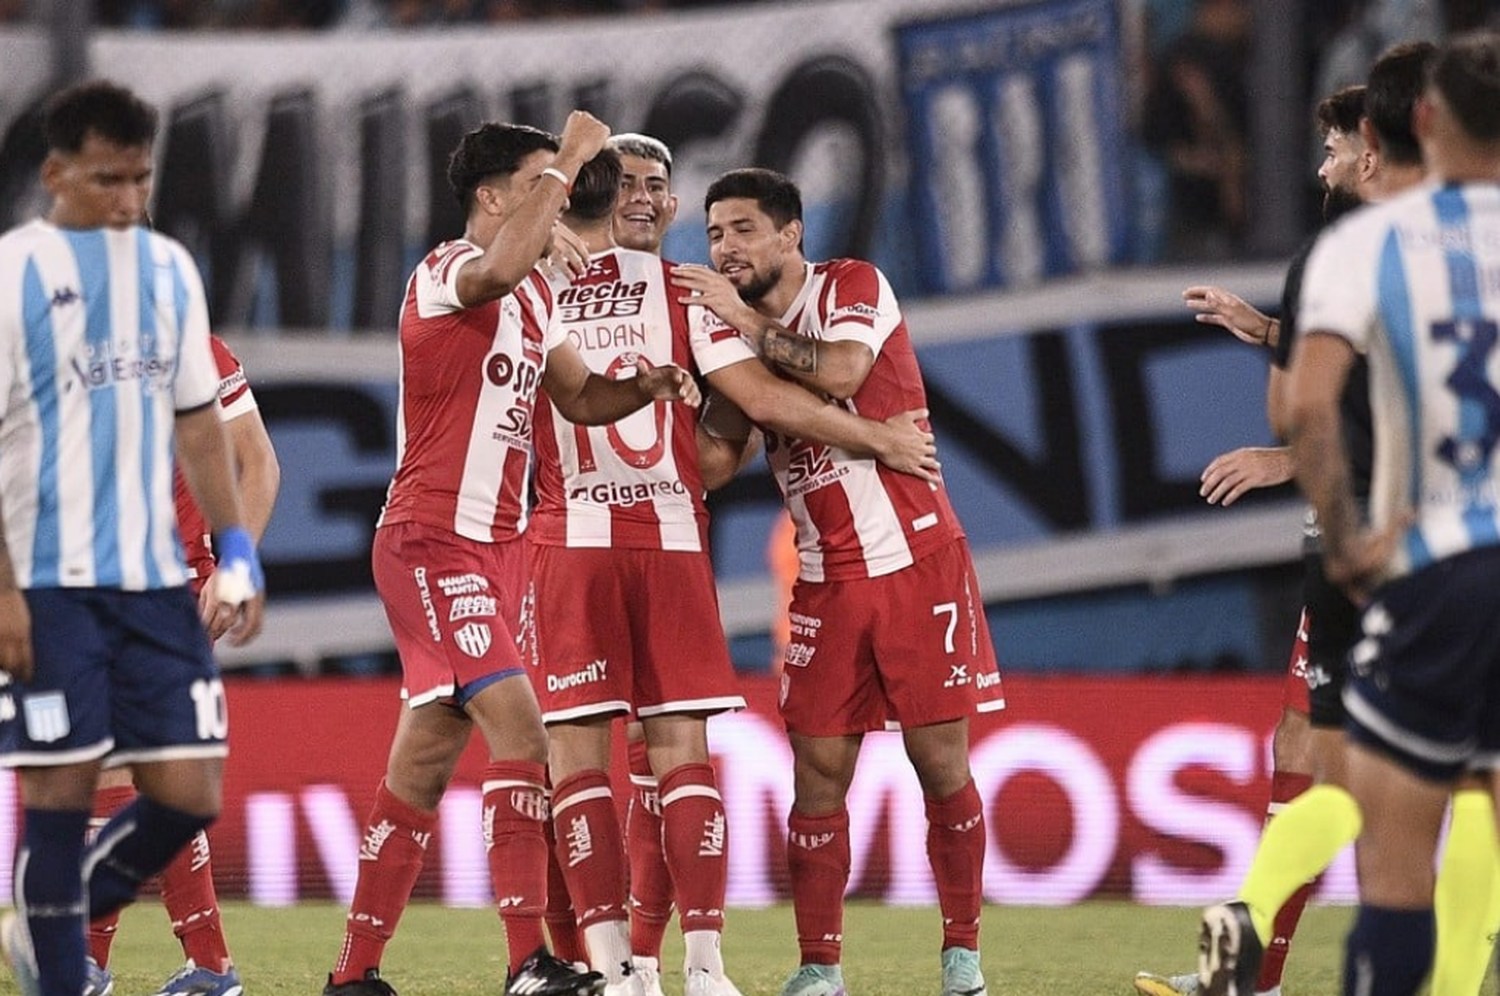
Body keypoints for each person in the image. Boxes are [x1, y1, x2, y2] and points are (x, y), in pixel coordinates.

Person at [530, 149, 938, 996]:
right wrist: (878, 437)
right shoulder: (678, 295)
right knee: (649, 758)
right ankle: (657, 966)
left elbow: (730, 434)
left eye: (654, 186)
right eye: (626, 184)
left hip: (595, 539)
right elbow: (762, 400)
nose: (642, 199)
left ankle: (646, 967)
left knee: (609, 760)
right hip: (632, 540)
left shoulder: (540, 282)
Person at [319, 112, 701, 996]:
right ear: (493, 197)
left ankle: (354, 974)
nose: (560, 198)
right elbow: (498, 263)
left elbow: (576, 396)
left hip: (495, 552)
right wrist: (567, 155)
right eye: (539, 185)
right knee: (523, 730)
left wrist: (642, 386)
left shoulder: (535, 298)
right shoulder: (451, 271)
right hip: (429, 540)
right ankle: (528, 961)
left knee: (420, 764)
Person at [671, 168, 1002, 996]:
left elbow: (847, 371)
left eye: (744, 230)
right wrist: (677, 397)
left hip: (914, 560)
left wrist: (743, 324)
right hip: (824, 576)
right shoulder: (729, 331)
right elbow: (717, 460)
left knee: (940, 765)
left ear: (792, 234)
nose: (726, 248)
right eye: (714, 234)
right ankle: (821, 968)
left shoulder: (853, 282)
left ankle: (962, 955)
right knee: (816, 776)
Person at [0, 79, 266, 996]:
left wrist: (236, 554)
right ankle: (65, 967)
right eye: (108, 179)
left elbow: (204, 430)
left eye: (141, 180)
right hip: (50, 579)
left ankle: (54, 914)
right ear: (56, 173)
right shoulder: (12, 277)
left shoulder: (167, 277)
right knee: (60, 798)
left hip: (155, 583)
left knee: (189, 793)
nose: (128, 200)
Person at [1134, 82, 1372, 996]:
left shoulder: (1373, 252)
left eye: (1335, 146)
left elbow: (1396, 397)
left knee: (1405, 774)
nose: (1322, 165)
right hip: (1355, 530)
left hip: (1399, 538)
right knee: (1304, 748)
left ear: (1377, 152)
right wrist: (1267, 328)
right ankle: (1250, 981)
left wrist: (1287, 458)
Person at [1283, 29, 1500, 996]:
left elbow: (1305, 404)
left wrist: (1346, 541)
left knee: (1396, 862)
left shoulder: (1367, 243)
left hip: (1441, 566)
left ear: (1421, 120)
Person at [85, 332, 280, 996]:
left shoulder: (196, 348)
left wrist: (235, 564)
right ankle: (207, 965)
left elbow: (259, 462)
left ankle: (102, 961)